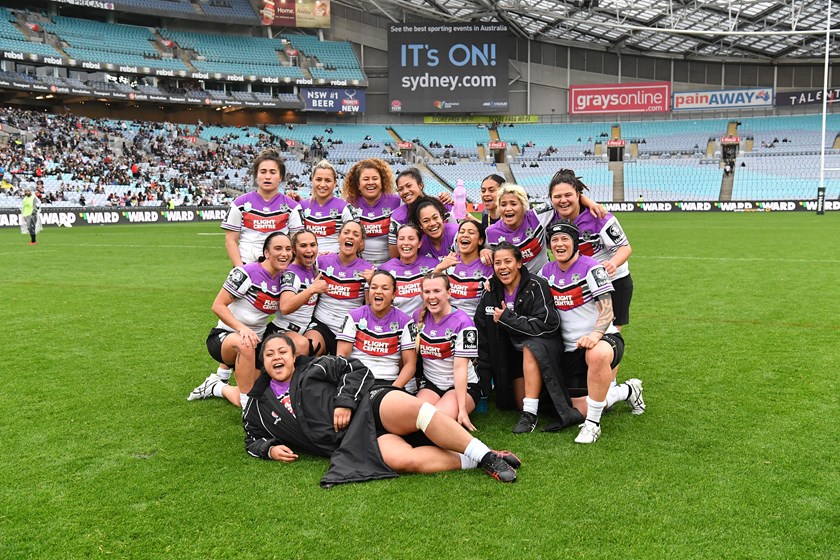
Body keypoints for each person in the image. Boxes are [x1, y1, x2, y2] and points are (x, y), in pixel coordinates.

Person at [241, 333, 521, 486]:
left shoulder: (316, 366)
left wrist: (344, 401)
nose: (277, 357)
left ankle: (486, 457)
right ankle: (479, 458)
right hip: (352, 440)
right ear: (262, 364)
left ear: (294, 357)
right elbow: (251, 439)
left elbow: (356, 369)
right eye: (269, 354)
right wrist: (269, 449)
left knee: (418, 410)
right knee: (403, 461)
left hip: (369, 404)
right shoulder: (258, 406)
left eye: (282, 352)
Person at [539, 221, 645, 444]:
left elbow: (608, 310)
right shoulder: (545, 271)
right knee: (580, 407)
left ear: (575, 243)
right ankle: (627, 391)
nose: (559, 244)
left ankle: (592, 427)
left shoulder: (592, 268)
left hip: (604, 339)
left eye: (565, 239)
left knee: (595, 354)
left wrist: (596, 335)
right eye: (555, 240)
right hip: (570, 348)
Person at [474, 242, 582, 432]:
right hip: (512, 357)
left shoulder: (536, 285)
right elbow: (482, 331)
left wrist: (508, 318)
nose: (502, 267)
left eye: (508, 261)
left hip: (542, 350)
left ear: (519, 263)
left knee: (530, 347)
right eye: (497, 263)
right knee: (517, 402)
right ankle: (616, 394)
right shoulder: (491, 290)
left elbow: (548, 324)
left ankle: (530, 416)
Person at [187, 232, 293, 407]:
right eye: (278, 248)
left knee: (266, 394)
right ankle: (247, 407)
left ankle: (216, 387)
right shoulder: (246, 273)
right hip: (225, 338)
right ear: (266, 253)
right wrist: (241, 328)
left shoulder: (285, 277)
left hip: (254, 345)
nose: (284, 253)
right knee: (249, 394)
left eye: (288, 249)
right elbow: (218, 305)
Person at [548, 169, 634, 342]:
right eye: (557, 196)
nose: (563, 200)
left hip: (613, 280)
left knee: (609, 334)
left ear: (578, 195)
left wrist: (612, 264)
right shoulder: (549, 216)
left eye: (568, 195)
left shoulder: (599, 217)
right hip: (579, 283)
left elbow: (625, 248)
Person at [413, 273, 480, 431]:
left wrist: (462, 409)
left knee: (434, 423)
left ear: (449, 293)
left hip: (462, 386)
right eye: (427, 292)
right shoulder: (417, 316)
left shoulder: (464, 323)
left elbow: (460, 368)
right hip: (431, 384)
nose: (432, 297)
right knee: (415, 419)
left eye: (437, 291)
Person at [336, 270, 418, 392]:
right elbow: (341, 358)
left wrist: (393, 389)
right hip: (356, 379)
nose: (378, 291)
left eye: (385, 288)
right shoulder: (354, 316)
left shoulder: (405, 322)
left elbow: (410, 365)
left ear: (393, 295)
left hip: (388, 382)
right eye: (373, 287)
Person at [221, 149, 302, 266]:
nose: (267, 177)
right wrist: (241, 269)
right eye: (263, 172)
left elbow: (296, 242)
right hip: (246, 266)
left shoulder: (292, 207)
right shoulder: (240, 203)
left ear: (280, 177)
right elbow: (230, 240)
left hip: (279, 270)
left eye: (273, 172)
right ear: (256, 176)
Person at [304, 221, 374, 356]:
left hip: (350, 329)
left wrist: (372, 284)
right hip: (322, 324)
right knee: (308, 347)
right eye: (346, 232)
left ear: (361, 243)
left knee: (340, 366)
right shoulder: (321, 261)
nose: (350, 237)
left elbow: (371, 308)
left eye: (356, 234)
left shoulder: (368, 271)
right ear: (339, 237)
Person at [267, 230, 328, 356]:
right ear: (294, 250)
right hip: (282, 330)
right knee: (302, 345)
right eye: (303, 246)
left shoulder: (312, 267)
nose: (309, 250)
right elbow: (285, 307)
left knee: (319, 344)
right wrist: (311, 290)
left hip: (304, 329)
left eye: (313, 245)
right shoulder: (291, 274)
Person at [342, 158, 402, 265]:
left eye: (375, 178)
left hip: (390, 265)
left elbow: (418, 204)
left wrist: (442, 199)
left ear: (382, 182)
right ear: (358, 185)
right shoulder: (350, 203)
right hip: (359, 265)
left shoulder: (396, 201)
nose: (371, 182)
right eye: (365, 179)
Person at [388, 168, 454, 259]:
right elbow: (395, 257)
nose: (405, 191)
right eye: (400, 189)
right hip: (419, 267)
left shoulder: (444, 206)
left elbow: (459, 233)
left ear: (420, 185)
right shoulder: (398, 218)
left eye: (409, 186)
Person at [380, 223, 439, 317]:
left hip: (425, 323)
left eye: (411, 239)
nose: (406, 243)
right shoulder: (385, 269)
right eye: (401, 239)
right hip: (395, 324)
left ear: (419, 243)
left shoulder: (434, 265)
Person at [437, 220, 493, 319]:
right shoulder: (448, 262)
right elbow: (429, 291)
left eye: (471, 232)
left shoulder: (488, 268)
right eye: (461, 232)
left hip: (474, 324)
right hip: (447, 321)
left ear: (480, 240)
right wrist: (439, 269)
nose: (465, 235)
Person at [298, 160, 355, 254]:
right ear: (312, 180)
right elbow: (296, 238)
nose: (323, 184)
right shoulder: (302, 207)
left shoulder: (344, 208)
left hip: (336, 261)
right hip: (306, 260)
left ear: (335, 183)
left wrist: (337, 255)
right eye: (318, 179)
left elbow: (354, 239)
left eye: (328, 180)